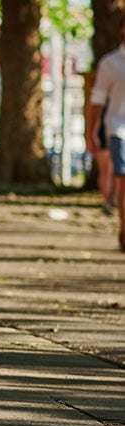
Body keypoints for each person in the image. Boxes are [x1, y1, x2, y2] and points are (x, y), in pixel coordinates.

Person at [86, 14, 125, 252]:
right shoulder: (110, 64)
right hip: (120, 129)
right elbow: (97, 100)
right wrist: (90, 131)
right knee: (122, 182)